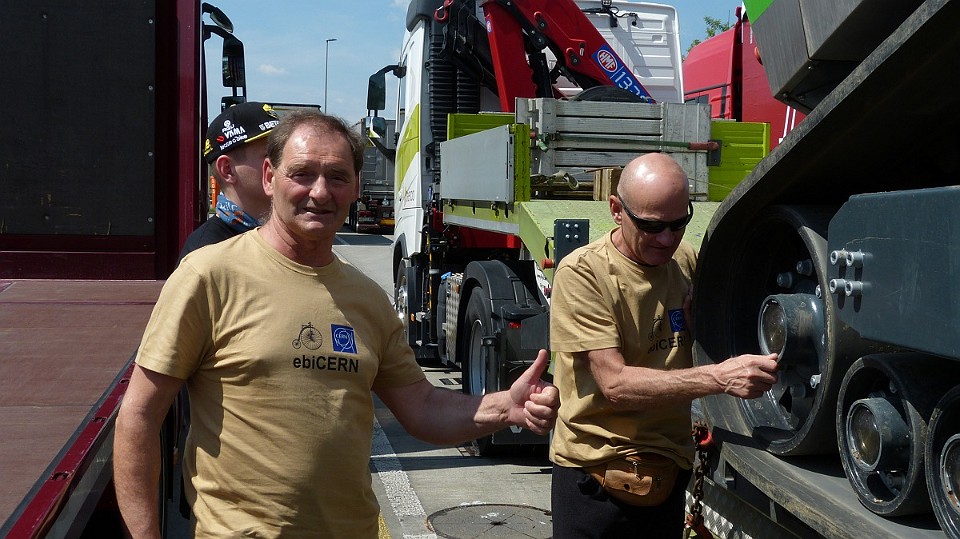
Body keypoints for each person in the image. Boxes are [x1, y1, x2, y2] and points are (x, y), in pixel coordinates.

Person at [113, 110, 560, 538]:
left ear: (356, 187)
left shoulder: (367, 300)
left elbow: (422, 407)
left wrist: (506, 406)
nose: (320, 192)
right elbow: (139, 416)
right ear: (270, 178)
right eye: (302, 174)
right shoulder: (208, 275)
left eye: (337, 177)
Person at [548, 152, 779, 537]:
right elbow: (615, 385)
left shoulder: (684, 261)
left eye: (678, 224)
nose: (667, 239)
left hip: (667, 478)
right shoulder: (583, 274)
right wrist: (719, 377)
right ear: (616, 210)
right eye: (652, 226)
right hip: (596, 482)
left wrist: (699, 330)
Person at [178, 101, 280, 259]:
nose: (285, 164)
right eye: (271, 156)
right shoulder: (206, 254)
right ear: (227, 169)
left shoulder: (289, 238)